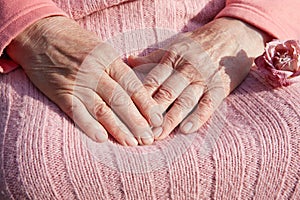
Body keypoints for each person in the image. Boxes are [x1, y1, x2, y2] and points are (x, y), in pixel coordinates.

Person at [0, 0, 299, 199]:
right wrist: (29, 27)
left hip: (229, 29)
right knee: (41, 171)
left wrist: (247, 25)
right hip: (40, 44)